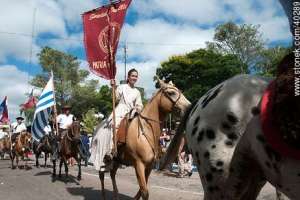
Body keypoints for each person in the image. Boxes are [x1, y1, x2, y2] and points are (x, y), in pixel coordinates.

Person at [90, 68, 143, 171]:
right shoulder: (122, 87)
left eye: (136, 76)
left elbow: (140, 104)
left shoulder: (137, 92)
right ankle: (110, 151)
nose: (134, 78)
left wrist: (137, 108)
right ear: (128, 77)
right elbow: (116, 98)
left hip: (132, 112)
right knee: (114, 125)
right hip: (120, 110)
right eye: (132, 75)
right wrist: (113, 87)